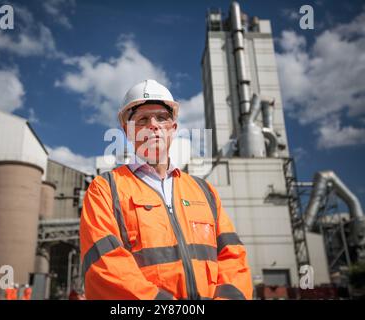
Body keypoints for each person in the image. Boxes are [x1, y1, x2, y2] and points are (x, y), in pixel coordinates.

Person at [80, 79, 253, 300]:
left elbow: (232, 257)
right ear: (127, 130)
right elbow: (104, 265)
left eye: (162, 118)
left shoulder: (204, 191)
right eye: (143, 119)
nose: (154, 125)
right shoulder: (105, 189)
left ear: (173, 128)